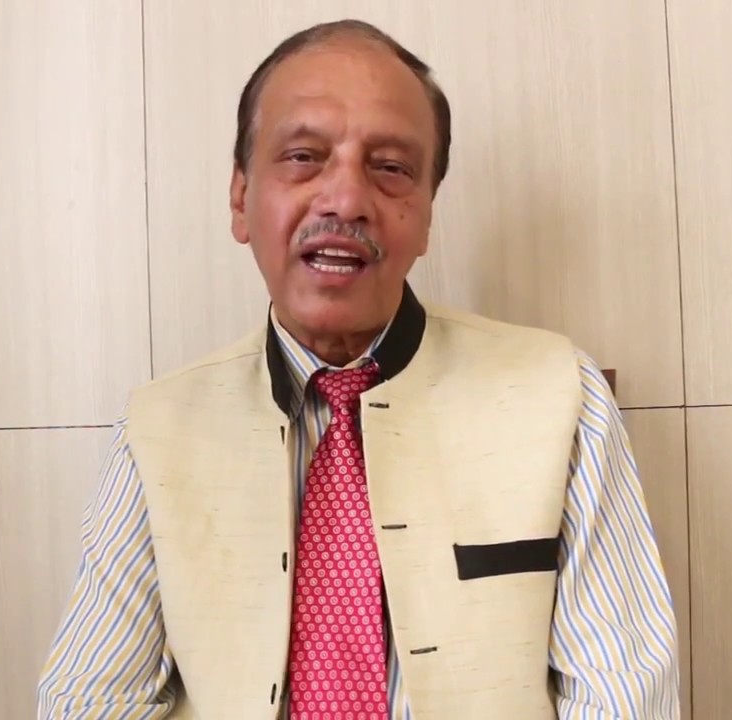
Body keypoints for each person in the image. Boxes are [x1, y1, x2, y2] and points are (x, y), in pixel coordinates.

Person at [36, 18, 679, 720]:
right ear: (241, 198)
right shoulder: (157, 429)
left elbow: (622, 694)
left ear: (426, 212)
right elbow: (89, 701)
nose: (345, 201)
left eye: (391, 168)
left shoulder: (560, 396)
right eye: (303, 157)